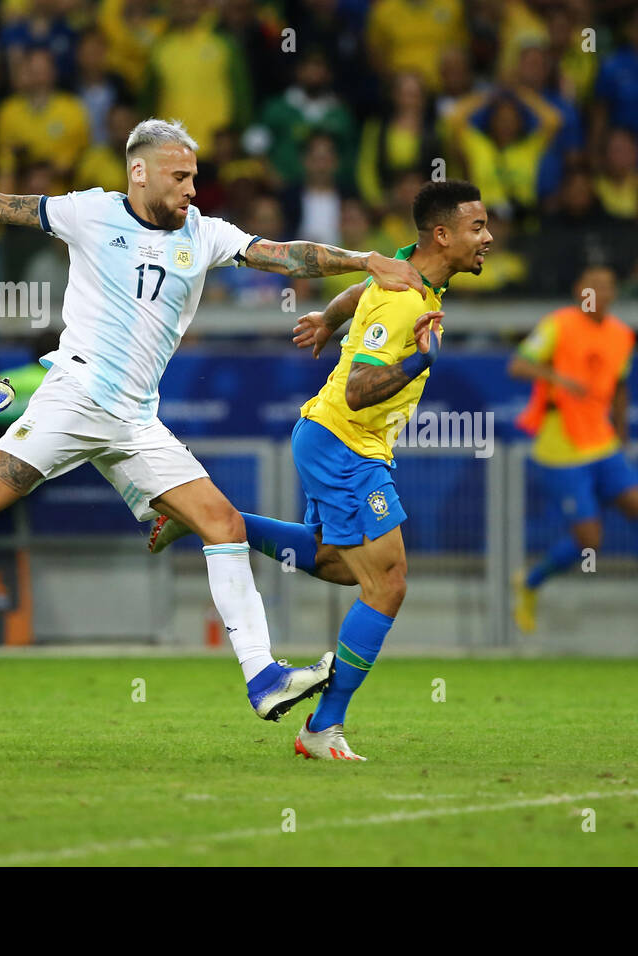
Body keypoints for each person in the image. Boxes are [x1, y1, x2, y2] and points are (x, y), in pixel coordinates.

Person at [0, 117, 425, 730]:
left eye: (195, 176)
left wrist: (362, 259)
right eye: (180, 176)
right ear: (138, 173)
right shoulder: (89, 213)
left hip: (138, 421)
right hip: (77, 396)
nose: (192, 188)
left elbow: (283, 257)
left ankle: (263, 675)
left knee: (222, 523)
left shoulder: (205, 232)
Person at [149, 180, 493, 761]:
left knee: (336, 563)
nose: (487, 238)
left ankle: (209, 520)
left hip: (335, 439)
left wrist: (328, 320)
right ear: (443, 234)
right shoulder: (407, 301)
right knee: (388, 583)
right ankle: (322, 728)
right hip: (345, 441)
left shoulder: (405, 270)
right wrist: (420, 359)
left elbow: (358, 290)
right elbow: (359, 391)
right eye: (477, 227)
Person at [509, 264, 638, 640]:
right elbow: (518, 365)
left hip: (603, 442)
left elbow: (620, 387)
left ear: (615, 294)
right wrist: (557, 378)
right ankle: (530, 582)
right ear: (579, 290)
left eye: (607, 287)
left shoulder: (622, 336)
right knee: (590, 542)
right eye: (592, 286)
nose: (599, 293)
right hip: (560, 445)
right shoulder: (558, 325)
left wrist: (623, 436)